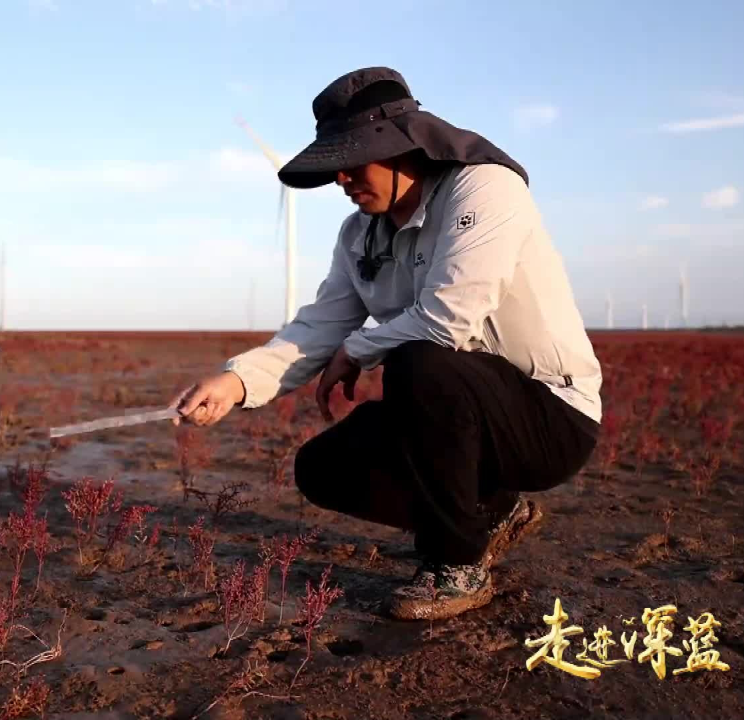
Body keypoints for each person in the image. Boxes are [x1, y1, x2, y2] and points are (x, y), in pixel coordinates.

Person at [173, 67, 601, 621]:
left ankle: (455, 566)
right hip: (454, 419)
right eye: (333, 167)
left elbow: (451, 318)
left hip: (550, 417)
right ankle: (492, 513)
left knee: (419, 361)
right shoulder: (358, 236)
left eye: (351, 161)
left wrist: (359, 348)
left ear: (401, 148)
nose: (341, 180)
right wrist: (234, 381)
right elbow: (318, 326)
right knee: (322, 468)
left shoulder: (485, 189)